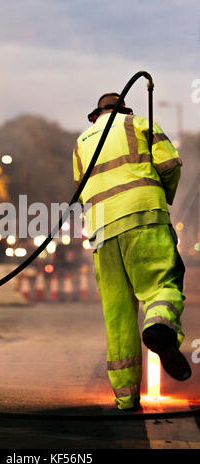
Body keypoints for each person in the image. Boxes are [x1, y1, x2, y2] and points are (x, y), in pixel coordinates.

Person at [73, 93, 192, 411]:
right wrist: (162, 195)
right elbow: (170, 164)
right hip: (144, 217)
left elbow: (81, 187)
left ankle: (126, 398)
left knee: (117, 315)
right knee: (161, 284)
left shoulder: (83, 141)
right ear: (124, 110)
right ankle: (159, 325)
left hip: (100, 230)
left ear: (96, 115)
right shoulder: (141, 124)